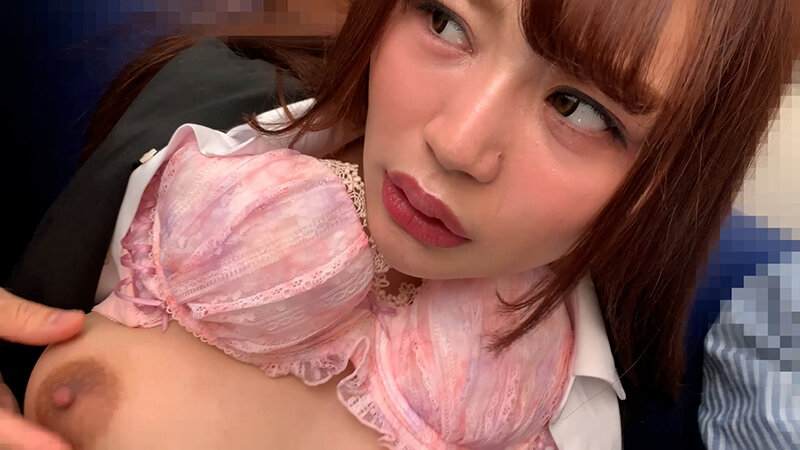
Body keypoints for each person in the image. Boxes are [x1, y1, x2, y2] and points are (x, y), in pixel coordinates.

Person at [2, 0, 797, 448]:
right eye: (446, 21)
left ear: (666, 185)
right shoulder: (191, 108)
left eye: (579, 108)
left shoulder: (573, 413)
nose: (458, 144)